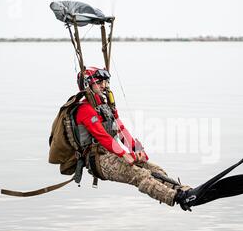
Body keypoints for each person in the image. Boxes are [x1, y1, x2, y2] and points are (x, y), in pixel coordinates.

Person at [74, 66, 191, 209]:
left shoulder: (105, 106)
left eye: (104, 82)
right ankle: (177, 198)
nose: (103, 86)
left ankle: (182, 190)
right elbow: (103, 136)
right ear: (87, 85)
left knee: (155, 169)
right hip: (97, 159)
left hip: (113, 153)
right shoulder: (84, 109)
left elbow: (121, 130)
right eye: (99, 82)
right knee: (138, 174)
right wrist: (124, 154)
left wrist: (137, 149)